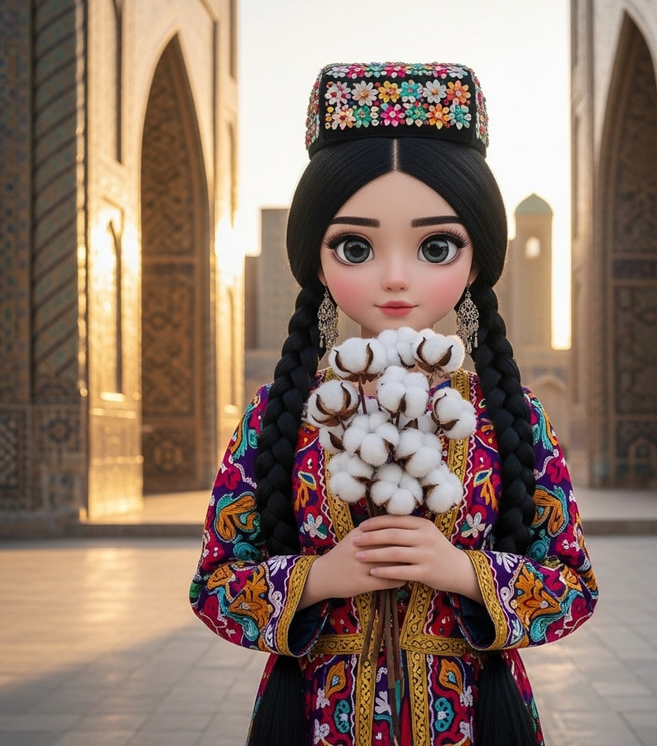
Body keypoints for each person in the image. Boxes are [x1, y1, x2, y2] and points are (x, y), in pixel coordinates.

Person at [190, 62, 598, 746]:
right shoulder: (280, 415)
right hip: (318, 720)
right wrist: (317, 580)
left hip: (471, 721)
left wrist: (464, 572)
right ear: (317, 259)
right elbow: (216, 587)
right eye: (357, 246)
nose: (398, 276)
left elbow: (572, 586)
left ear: (477, 257)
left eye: (435, 246)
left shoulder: (510, 415)